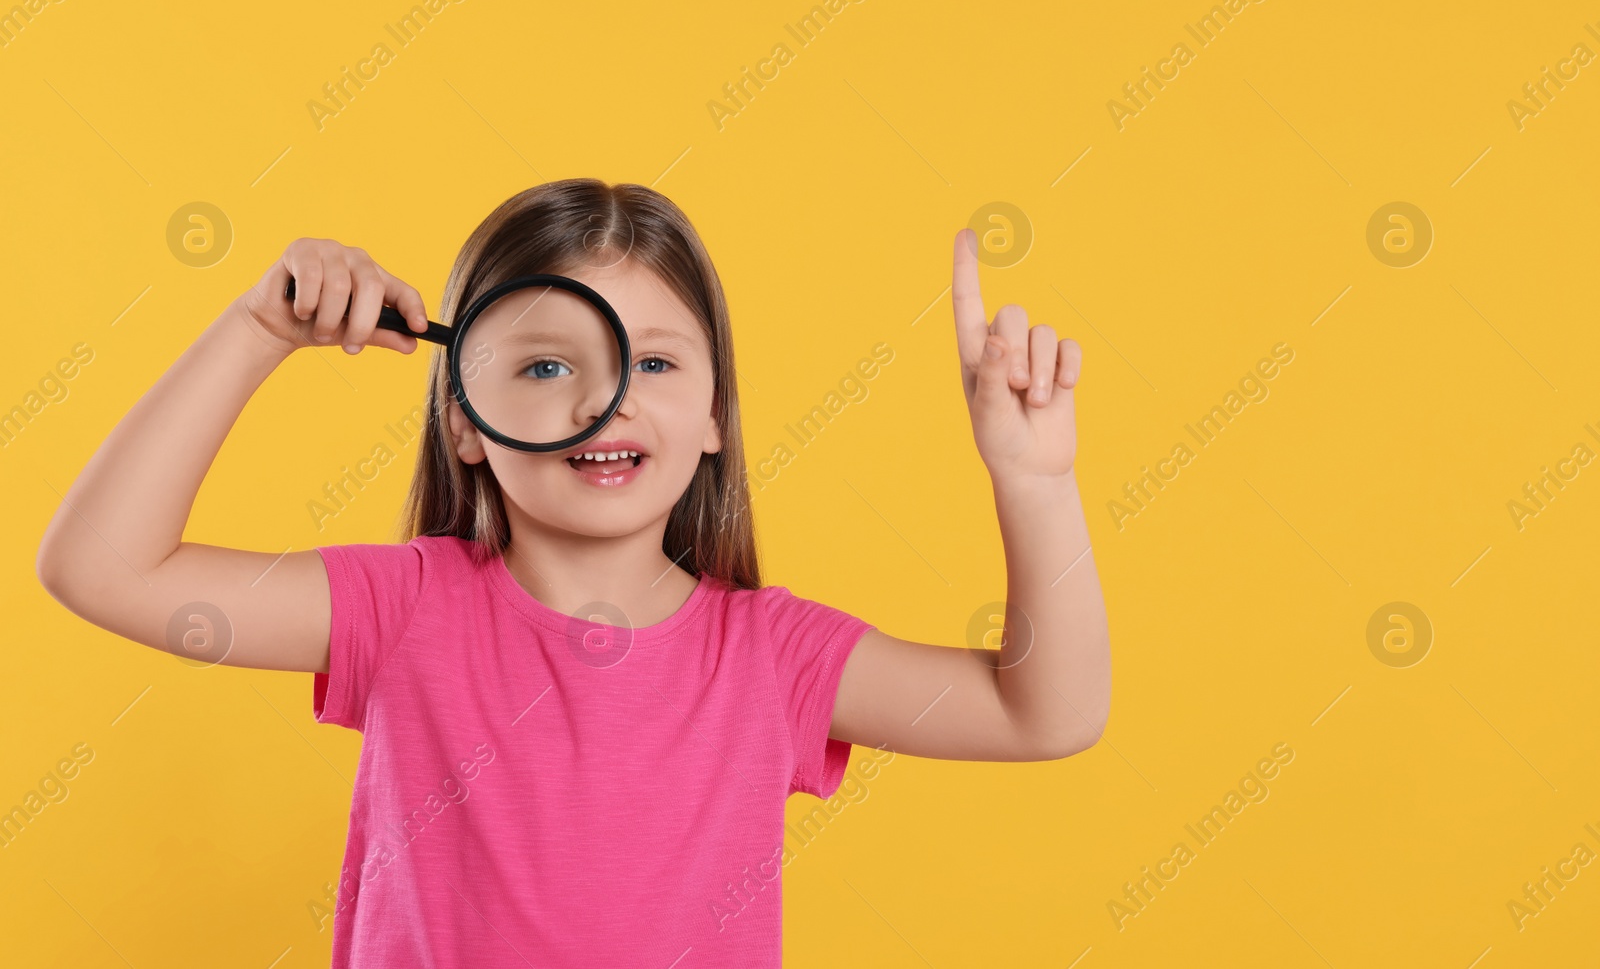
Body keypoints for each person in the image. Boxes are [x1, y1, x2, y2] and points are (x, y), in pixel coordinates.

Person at [35, 178, 1110, 967]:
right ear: (465, 418)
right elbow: (102, 566)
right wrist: (257, 328)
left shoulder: (772, 655)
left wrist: (1033, 479)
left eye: (653, 361)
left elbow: (1044, 714)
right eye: (546, 365)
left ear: (715, 423)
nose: (609, 398)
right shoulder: (401, 606)